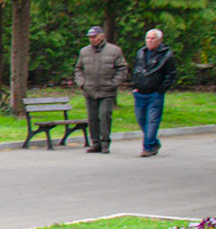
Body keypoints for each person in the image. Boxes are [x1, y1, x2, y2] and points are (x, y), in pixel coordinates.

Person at [74, 25, 127, 153]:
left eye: (94, 37)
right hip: (90, 90)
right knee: (92, 118)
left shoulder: (114, 50)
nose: (92, 39)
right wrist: (82, 83)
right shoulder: (84, 51)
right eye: (90, 37)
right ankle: (95, 143)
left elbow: (122, 68)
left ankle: (105, 143)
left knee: (104, 116)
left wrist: (114, 83)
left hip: (107, 90)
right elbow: (78, 69)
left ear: (102, 36)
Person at [131, 28, 176, 157]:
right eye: (148, 38)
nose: (149, 41)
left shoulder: (166, 55)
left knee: (152, 121)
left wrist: (161, 90)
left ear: (159, 40)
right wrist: (135, 86)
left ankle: (148, 147)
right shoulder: (141, 53)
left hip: (155, 94)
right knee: (141, 120)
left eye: (153, 38)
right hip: (140, 92)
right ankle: (154, 142)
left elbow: (171, 74)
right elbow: (136, 70)